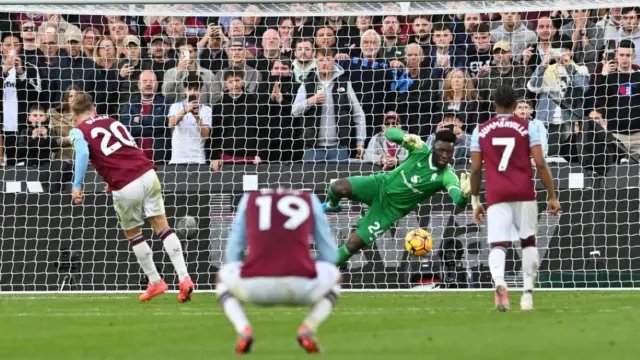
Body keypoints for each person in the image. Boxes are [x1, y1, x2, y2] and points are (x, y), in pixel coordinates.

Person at [68, 92, 194, 303]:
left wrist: (77, 186)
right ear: (94, 109)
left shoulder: (77, 131)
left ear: (74, 116)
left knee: (133, 233)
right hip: (147, 172)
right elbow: (127, 148)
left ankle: (155, 282)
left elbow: (81, 153)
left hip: (126, 183)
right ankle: (185, 278)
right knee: (162, 226)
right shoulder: (111, 121)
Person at [469, 85, 561, 312]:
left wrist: (475, 199)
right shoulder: (528, 127)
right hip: (524, 191)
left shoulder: (480, 130)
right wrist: (552, 195)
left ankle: (499, 281)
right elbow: (540, 163)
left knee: (498, 243)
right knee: (528, 241)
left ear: (494, 105)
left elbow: (475, 169)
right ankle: (527, 294)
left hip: (497, 193)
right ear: (514, 105)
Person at [322, 128, 472, 266]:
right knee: (337, 187)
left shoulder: (447, 175)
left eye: (449, 152)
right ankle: (332, 205)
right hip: (379, 185)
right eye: (441, 150)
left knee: (353, 244)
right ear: (433, 148)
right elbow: (389, 133)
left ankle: (327, 268)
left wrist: (464, 195)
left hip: (389, 210)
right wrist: (405, 137)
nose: (445, 155)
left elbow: (458, 199)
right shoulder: (420, 149)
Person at [217, 188, 340, 354]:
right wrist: (310, 263)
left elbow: (233, 253)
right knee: (335, 276)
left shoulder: (249, 198)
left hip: (255, 288)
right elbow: (330, 255)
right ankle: (309, 328)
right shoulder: (309, 198)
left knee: (222, 277)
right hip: (302, 287)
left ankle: (243, 330)